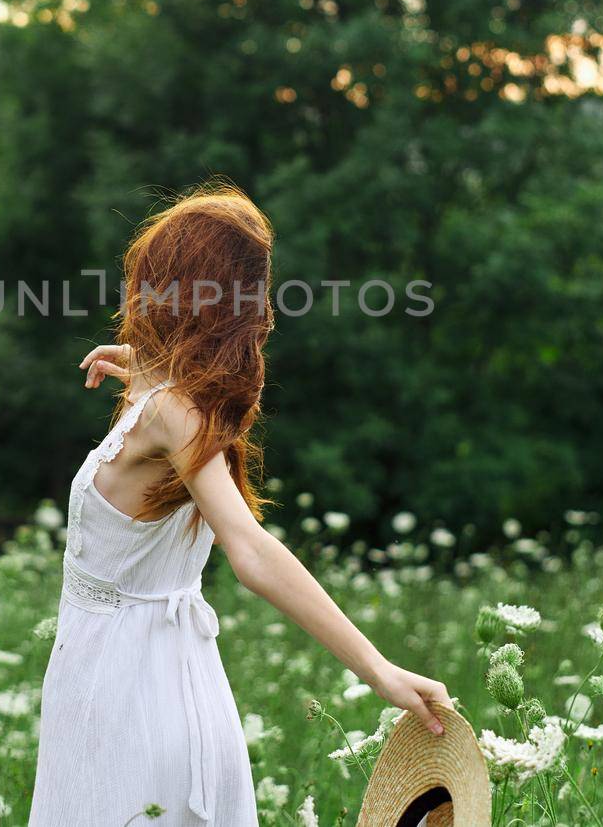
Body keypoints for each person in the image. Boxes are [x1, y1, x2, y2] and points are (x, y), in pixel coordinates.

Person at [28, 184, 450, 826]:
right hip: (143, 682)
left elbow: (250, 550)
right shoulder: (181, 407)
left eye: (154, 278)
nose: (138, 295)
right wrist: (145, 368)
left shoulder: (173, 413)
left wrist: (377, 669)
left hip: (129, 699)